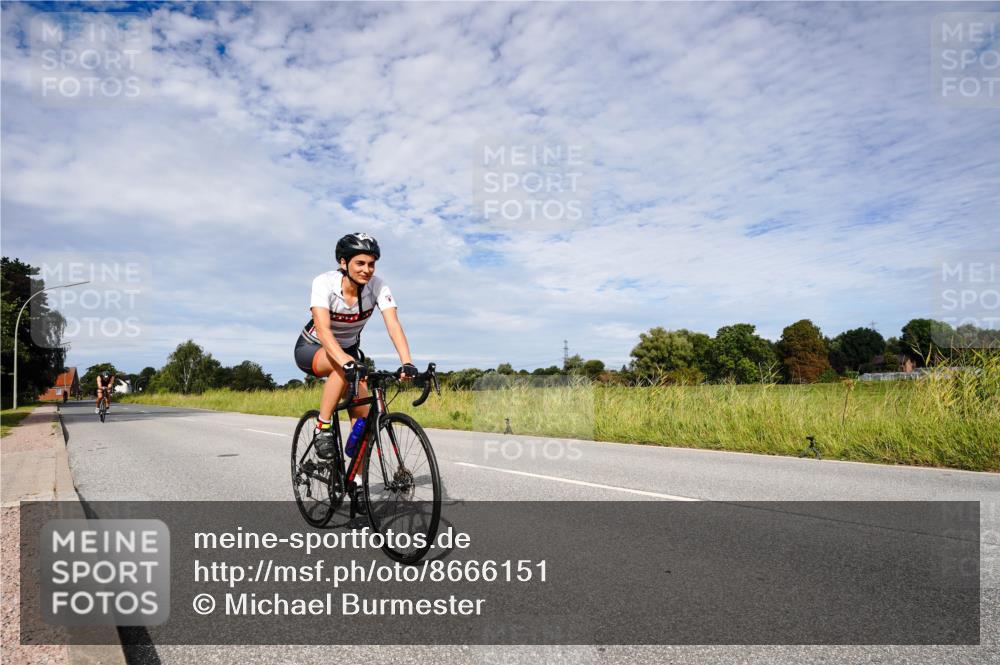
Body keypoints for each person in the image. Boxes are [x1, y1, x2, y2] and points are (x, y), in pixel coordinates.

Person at [294, 233, 418, 460]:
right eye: (360, 263)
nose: (367, 270)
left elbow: (394, 325)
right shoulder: (324, 283)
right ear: (343, 262)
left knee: (362, 424)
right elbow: (323, 330)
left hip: (349, 352)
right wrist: (345, 361)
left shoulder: (378, 287)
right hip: (312, 347)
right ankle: (323, 427)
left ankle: (357, 481)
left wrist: (406, 362)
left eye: (371, 264)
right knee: (342, 367)